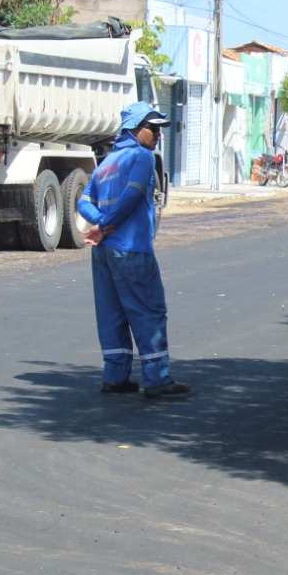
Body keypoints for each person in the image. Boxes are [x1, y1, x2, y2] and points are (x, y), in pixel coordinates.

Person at [77, 102, 192, 399]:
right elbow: (133, 192)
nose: (158, 134)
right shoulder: (142, 157)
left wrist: (100, 223)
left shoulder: (106, 163)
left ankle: (115, 377)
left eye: (159, 129)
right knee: (149, 310)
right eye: (152, 128)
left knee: (112, 312)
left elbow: (83, 202)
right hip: (131, 248)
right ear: (134, 128)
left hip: (104, 252)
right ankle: (157, 379)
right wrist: (107, 224)